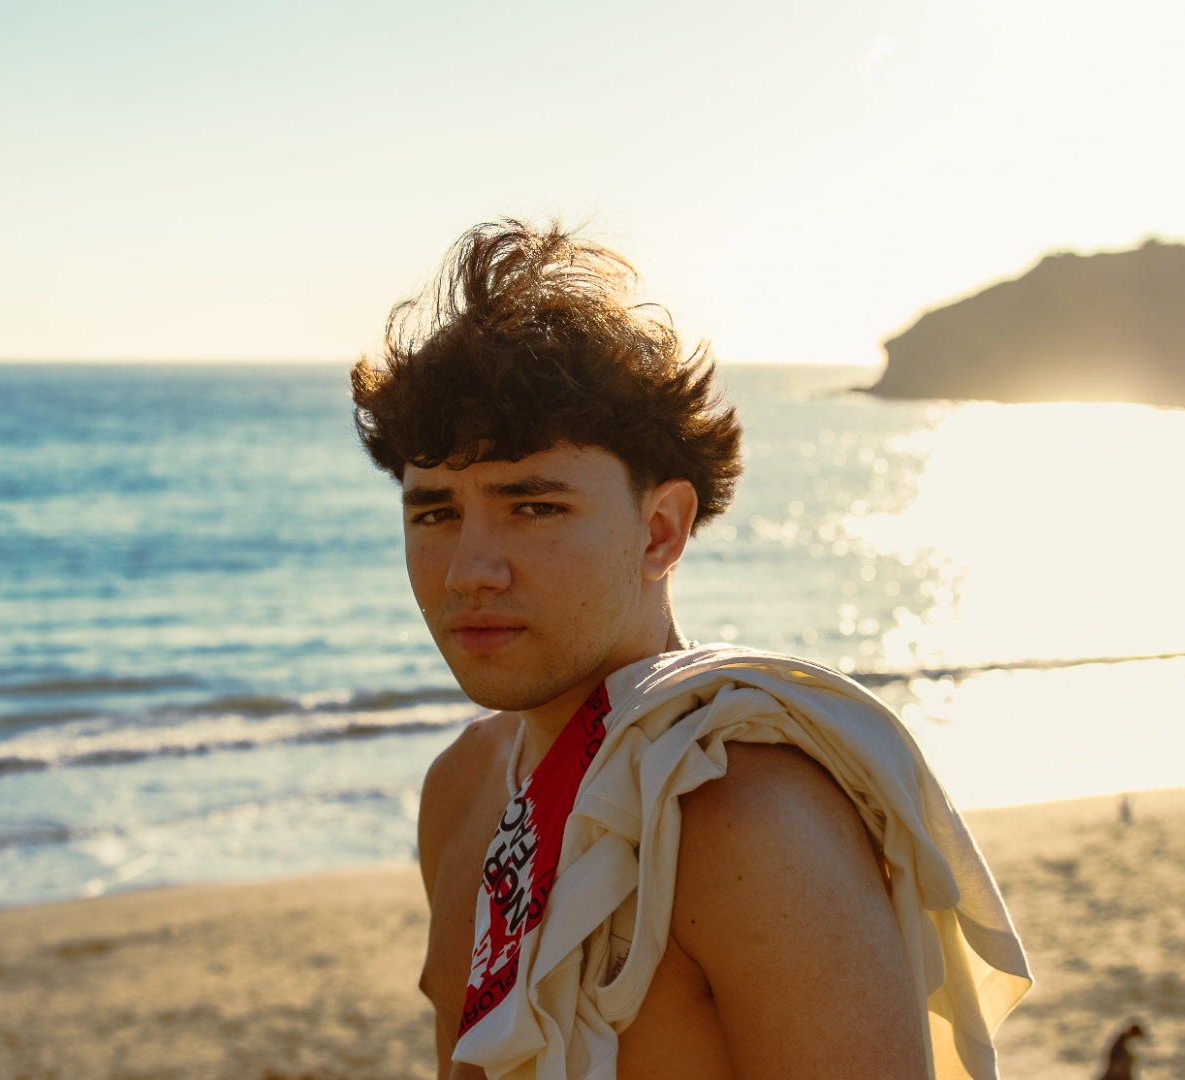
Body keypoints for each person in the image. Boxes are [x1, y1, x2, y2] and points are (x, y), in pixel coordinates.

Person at [350, 221, 1030, 1080]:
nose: (469, 570)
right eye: (435, 512)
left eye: (534, 506)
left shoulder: (747, 820)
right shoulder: (460, 794)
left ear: (660, 530)